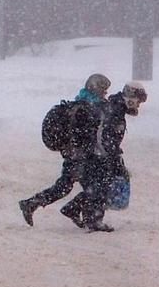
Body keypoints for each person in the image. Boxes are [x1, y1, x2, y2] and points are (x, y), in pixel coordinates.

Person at [19, 73, 110, 227]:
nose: (105, 94)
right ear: (96, 89)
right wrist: (92, 154)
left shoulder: (82, 104)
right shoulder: (85, 108)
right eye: (103, 90)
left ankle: (32, 204)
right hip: (79, 156)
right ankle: (91, 219)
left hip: (74, 155)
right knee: (95, 188)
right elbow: (84, 136)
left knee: (66, 187)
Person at [69, 82, 148, 232]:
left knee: (99, 186)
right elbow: (105, 136)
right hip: (99, 154)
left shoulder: (115, 106)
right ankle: (93, 220)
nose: (138, 106)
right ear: (131, 97)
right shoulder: (115, 110)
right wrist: (110, 156)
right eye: (139, 101)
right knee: (103, 186)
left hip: (98, 153)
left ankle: (80, 212)